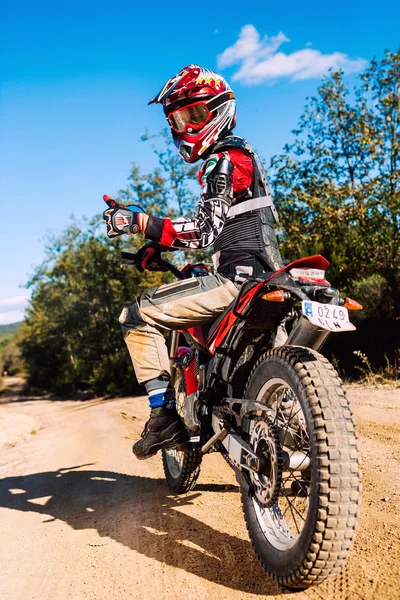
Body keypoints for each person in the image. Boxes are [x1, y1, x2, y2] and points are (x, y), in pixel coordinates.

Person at [103, 65, 283, 460]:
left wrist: (137, 222)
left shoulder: (222, 162)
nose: (186, 127)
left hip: (237, 282)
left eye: (195, 116)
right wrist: (158, 247)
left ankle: (163, 415)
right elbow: (221, 232)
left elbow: (203, 231)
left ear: (220, 110)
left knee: (135, 315)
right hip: (267, 276)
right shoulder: (245, 158)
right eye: (178, 119)